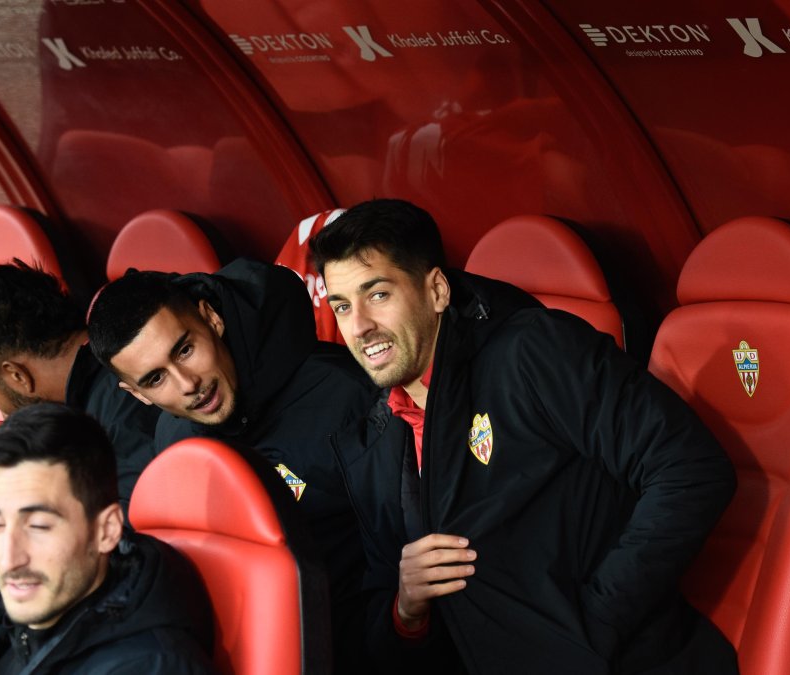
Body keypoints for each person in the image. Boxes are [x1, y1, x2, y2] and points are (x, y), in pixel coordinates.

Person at [309, 198, 739, 674]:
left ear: (436, 290)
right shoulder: (374, 441)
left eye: (379, 295)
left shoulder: (532, 352)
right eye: (342, 306)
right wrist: (406, 611)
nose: (360, 326)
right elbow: (384, 634)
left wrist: (593, 627)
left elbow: (690, 470)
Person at [86, 258, 378, 673]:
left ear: (212, 318)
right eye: (155, 379)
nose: (188, 384)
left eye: (185, 349)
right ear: (137, 395)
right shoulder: (174, 440)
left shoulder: (346, 395)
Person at [0, 402, 216, 674]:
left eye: (39, 526)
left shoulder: (153, 666)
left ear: (107, 530)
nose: (10, 558)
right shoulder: (22, 628)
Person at [0, 260, 160, 516]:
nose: (3, 417)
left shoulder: (115, 417)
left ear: (17, 375)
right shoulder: (112, 382)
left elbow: (126, 535)